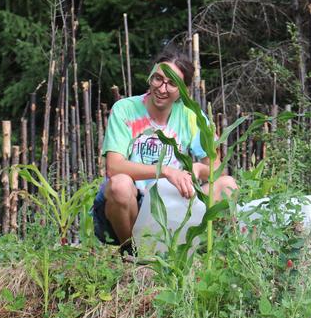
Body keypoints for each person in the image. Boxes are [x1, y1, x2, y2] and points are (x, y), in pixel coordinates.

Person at [92, 45, 237, 251]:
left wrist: (196, 169)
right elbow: (114, 168)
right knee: (120, 185)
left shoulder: (191, 116)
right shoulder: (125, 109)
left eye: (172, 83)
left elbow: (215, 168)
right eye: (158, 79)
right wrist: (167, 172)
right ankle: (131, 253)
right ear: (150, 77)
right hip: (133, 204)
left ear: (183, 91)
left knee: (227, 185)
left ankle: (196, 250)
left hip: (172, 205)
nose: (162, 88)